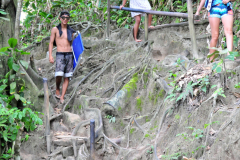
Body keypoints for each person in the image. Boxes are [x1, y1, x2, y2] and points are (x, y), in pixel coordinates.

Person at [48, 10, 76, 104]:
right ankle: (57, 88)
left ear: (69, 19)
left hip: (69, 54)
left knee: (67, 77)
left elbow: (75, 44)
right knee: (59, 74)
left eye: (67, 18)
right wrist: (50, 56)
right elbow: (51, 43)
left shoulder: (71, 31)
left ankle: (62, 97)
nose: (65, 19)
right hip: (60, 54)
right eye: (63, 18)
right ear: (60, 18)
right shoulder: (55, 29)